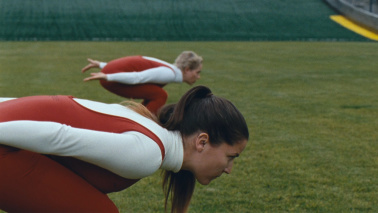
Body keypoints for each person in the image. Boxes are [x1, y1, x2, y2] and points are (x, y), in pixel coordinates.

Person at [0, 85, 249, 213]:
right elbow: (58, 136)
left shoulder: (147, 127)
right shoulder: (148, 152)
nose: (229, 169)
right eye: (231, 156)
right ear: (202, 142)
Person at [81, 51, 203, 114]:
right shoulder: (169, 73)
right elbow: (137, 77)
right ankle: (142, 124)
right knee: (160, 95)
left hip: (111, 73)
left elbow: (135, 65)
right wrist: (108, 76)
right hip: (110, 78)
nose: (198, 76)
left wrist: (103, 66)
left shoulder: (170, 69)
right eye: (197, 72)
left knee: (155, 94)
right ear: (187, 69)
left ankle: (137, 119)